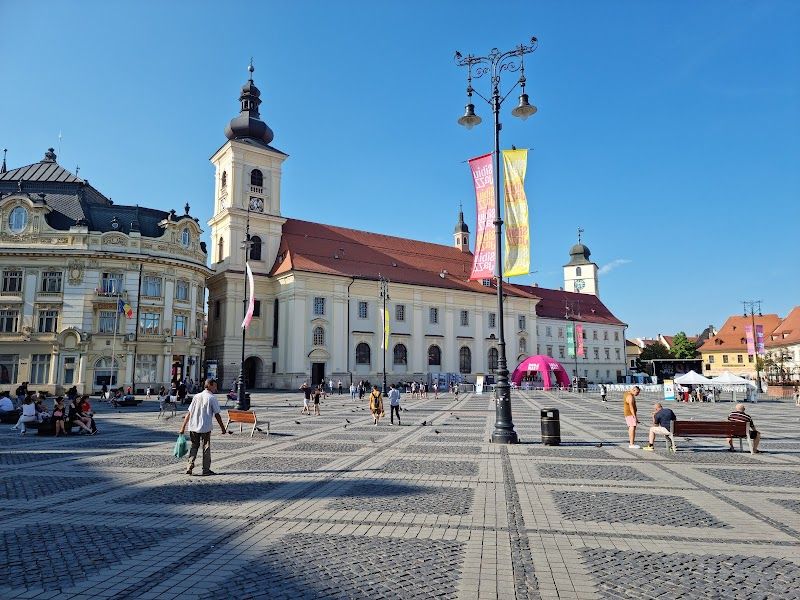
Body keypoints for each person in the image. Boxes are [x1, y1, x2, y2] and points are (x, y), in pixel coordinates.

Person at [179, 378, 226, 476]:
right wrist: (223, 428)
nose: (216, 388)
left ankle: (189, 466)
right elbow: (217, 414)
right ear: (209, 385)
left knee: (194, 446)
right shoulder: (212, 398)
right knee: (206, 447)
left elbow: (189, 412)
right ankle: (206, 469)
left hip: (193, 426)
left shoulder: (196, 396)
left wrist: (183, 427)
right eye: (215, 386)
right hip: (205, 427)